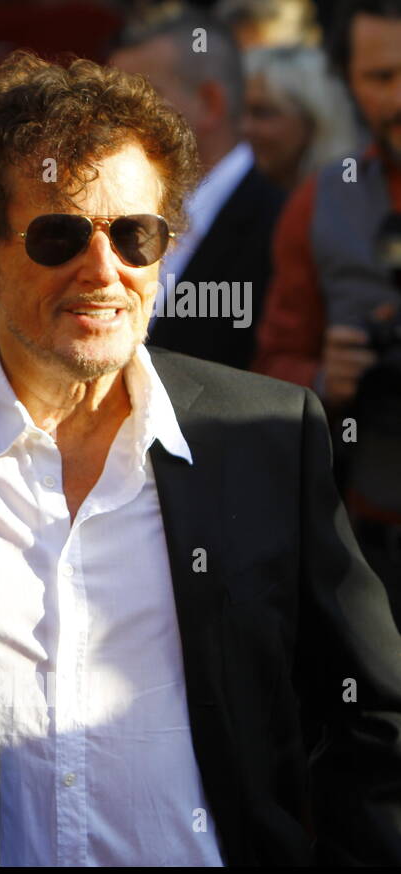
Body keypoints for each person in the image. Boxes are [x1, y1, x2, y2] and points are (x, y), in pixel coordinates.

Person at [0, 51, 401, 866]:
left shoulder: (265, 434)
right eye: (58, 236)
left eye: (135, 235)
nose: (105, 271)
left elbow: (374, 710)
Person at [252, 0, 401, 621]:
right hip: (380, 537)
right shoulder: (323, 202)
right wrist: (322, 378)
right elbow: (269, 370)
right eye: (382, 77)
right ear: (348, 82)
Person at [111, 7, 286, 369]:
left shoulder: (280, 226)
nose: (114, 121)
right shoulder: (106, 221)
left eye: (140, 99)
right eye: (111, 103)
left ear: (210, 103)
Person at [241, 45, 359, 193]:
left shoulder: (348, 199)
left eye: (262, 113)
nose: (245, 127)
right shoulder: (240, 201)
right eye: (239, 112)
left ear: (313, 120)